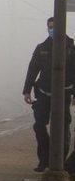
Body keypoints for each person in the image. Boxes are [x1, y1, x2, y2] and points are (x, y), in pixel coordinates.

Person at [23, 16, 75, 172]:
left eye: (55, 26)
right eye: (50, 26)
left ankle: (59, 162)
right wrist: (27, 90)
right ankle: (44, 159)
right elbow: (33, 69)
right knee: (39, 125)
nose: (52, 29)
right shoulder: (41, 48)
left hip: (64, 94)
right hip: (44, 93)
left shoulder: (71, 48)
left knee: (63, 129)